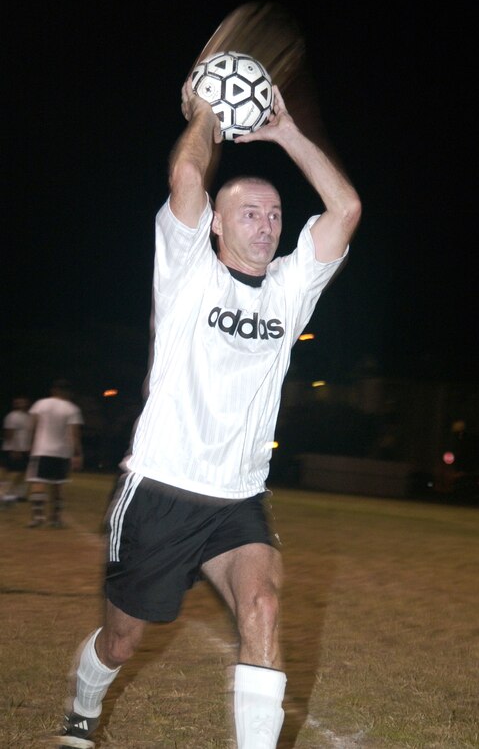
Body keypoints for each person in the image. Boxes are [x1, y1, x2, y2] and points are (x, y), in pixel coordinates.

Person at [57, 76, 361, 749]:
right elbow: (188, 172)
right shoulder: (187, 268)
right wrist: (203, 115)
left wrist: (286, 133)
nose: (267, 223)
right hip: (161, 490)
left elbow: (344, 209)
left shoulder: (288, 292)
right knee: (122, 638)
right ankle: (82, 711)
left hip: (238, 500)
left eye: (275, 213)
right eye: (249, 212)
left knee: (264, 607)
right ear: (218, 223)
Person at [26, 379, 84, 528]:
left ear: (53, 390)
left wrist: (30, 444)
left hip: (41, 449)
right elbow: (74, 434)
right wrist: (77, 454)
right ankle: (55, 519)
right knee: (58, 486)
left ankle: (38, 517)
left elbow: (32, 426)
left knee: (38, 482)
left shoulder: (40, 404)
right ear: (67, 392)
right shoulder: (72, 408)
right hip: (62, 452)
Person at [1, 396, 33, 503]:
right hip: (14, 449)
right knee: (11, 473)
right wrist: (14, 448)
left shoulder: (29, 416)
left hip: (24, 449)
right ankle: (3, 494)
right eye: (18, 402)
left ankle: (19, 494)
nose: (21, 404)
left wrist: (29, 446)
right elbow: (9, 433)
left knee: (23, 473)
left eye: (23, 402)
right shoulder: (12, 416)